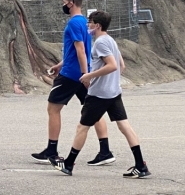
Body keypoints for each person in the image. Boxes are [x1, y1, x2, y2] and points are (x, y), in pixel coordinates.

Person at [53, 10, 151, 178]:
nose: (88, 25)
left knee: (82, 127)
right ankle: (140, 166)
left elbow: (112, 65)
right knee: (124, 126)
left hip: (99, 94)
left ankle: (68, 164)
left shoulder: (100, 43)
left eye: (90, 23)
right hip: (113, 92)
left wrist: (89, 76)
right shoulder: (111, 41)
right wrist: (110, 81)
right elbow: (121, 66)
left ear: (97, 25)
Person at [31, 0, 111, 165]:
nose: (63, 5)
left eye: (64, 2)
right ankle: (105, 151)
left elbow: (80, 50)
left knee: (53, 109)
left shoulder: (74, 23)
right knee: (93, 110)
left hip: (72, 75)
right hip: (81, 71)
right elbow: (76, 51)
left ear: (71, 3)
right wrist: (60, 65)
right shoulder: (85, 22)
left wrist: (83, 75)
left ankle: (51, 151)